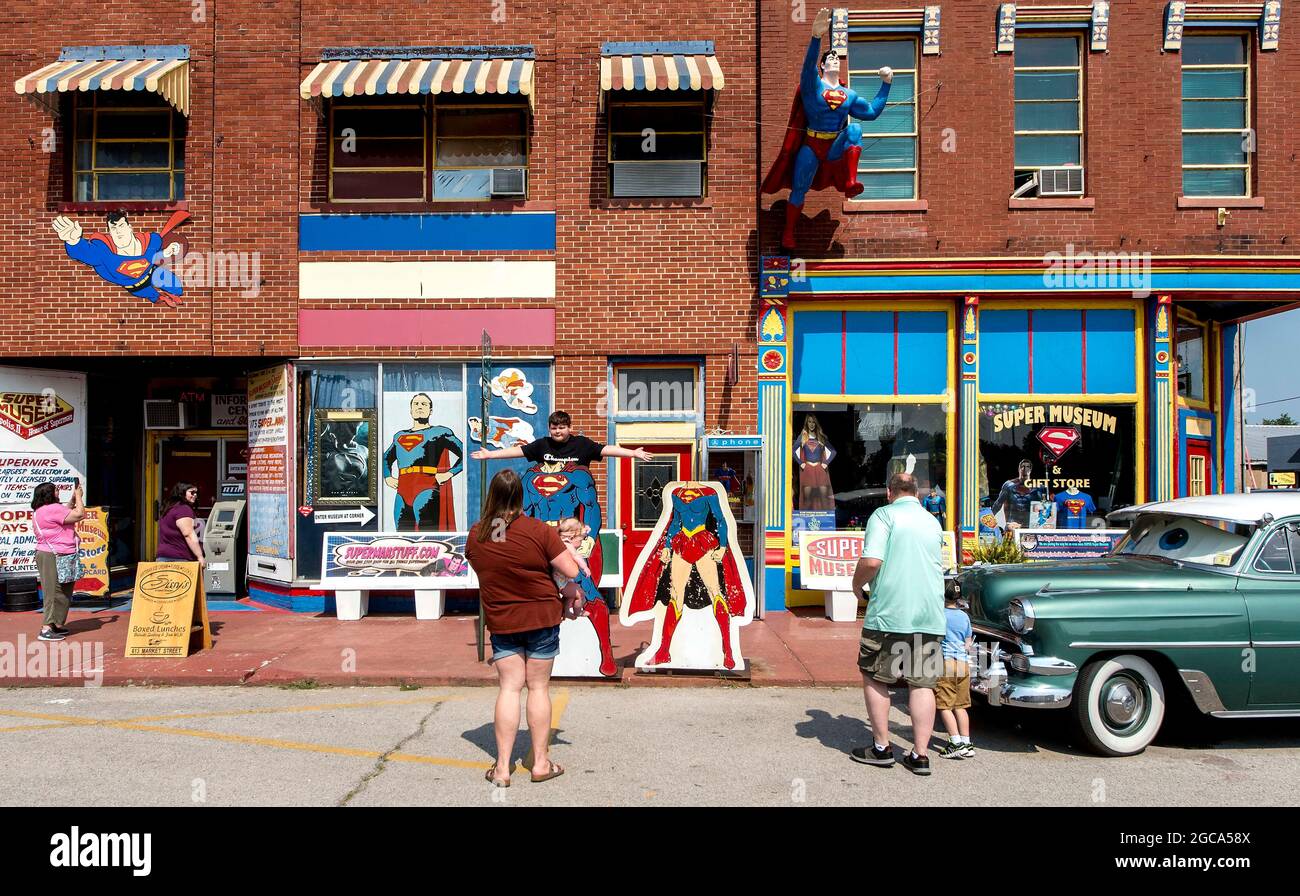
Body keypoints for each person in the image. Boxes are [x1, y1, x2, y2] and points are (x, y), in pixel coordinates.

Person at [465, 469, 580, 787]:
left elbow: (488, 564)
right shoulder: (538, 530)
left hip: (502, 619)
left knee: (509, 688)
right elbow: (570, 569)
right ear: (521, 496)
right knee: (539, 688)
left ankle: (502, 769)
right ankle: (540, 763)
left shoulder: (478, 535)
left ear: (491, 496)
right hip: (541, 617)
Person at [761, 6, 894, 249]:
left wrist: (886, 84)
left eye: (836, 58)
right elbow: (807, 66)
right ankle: (788, 233)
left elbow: (872, 112)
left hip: (834, 145)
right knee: (799, 189)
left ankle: (851, 183)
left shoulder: (849, 95)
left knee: (854, 131)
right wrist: (815, 37)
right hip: (811, 145)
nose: (833, 60)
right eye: (829, 58)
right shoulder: (813, 88)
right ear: (822, 66)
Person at [848, 472, 946, 775]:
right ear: (916, 494)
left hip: (889, 613)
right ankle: (920, 754)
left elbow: (872, 561)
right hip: (929, 614)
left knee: (876, 676)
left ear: (890, 492)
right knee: (922, 683)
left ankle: (881, 747)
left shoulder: (883, 515)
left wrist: (856, 585)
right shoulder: (933, 521)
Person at [470, 410, 653, 467]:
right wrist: (491, 455)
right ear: (549, 429)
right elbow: (518, 451)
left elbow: (607, 449)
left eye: (562, 428)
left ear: (569, 428)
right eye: (554, 428)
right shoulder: (543, 444)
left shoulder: (582, 444)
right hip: (548, 501)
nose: (558, 431)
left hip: (575, 499)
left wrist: (633, 453)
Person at [31, 481, 86, 642]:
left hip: (56, 554)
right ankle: (47, 627)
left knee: (63, 589)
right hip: (53, 555)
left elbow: (64, 513)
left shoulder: (42, 510)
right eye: (56, 490)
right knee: (55, 591)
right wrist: (78, 497)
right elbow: (79, 515)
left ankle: (55, 623)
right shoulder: (52, 509)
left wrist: (72, 501)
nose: (58, 491)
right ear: (49, 493)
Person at [935, 584, 975, 759]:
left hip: (947, 661)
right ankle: (967, 742)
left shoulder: (940, 615)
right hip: (963, 663)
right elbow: (968, 641)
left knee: (944, 705)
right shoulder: (964, 616)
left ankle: (955, 742)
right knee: (961, 705)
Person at [156, 482, 205, 564]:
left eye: (196, 493)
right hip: (180, 558)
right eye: (192, 492)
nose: (195, 495)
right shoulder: (183, 509)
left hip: (163, 557)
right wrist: (200, 556)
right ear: (182, 493)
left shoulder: (169, 508)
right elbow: (188, 534)